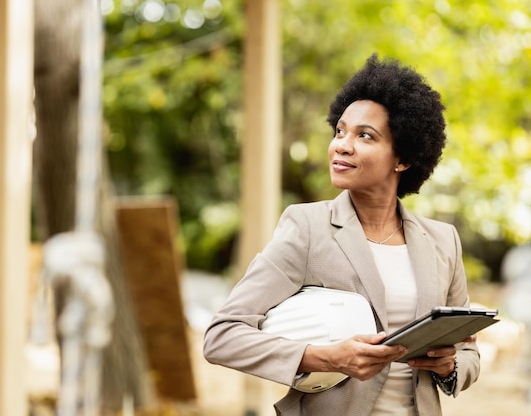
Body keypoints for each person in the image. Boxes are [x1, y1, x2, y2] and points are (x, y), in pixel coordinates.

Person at [203, 54, 480, 416]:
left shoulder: (444, 241)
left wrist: (450, 366)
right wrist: (324, 358)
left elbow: (468, 351)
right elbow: (222, 336)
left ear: (404, 159)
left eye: (365, 135)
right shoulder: (306, 227)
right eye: (340, 131)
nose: (342, 145)